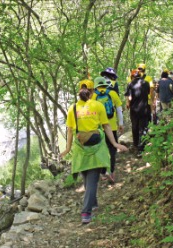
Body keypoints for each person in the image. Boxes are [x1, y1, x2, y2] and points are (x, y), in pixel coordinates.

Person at [60, 79, 128, 224]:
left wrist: (67, 149)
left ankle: (93, 203)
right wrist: (115, 143)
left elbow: (70, 131)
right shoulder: (97, 105)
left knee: (86, 176)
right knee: (92, 180)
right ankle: (86, 212)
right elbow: (107, 126)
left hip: (80, 148)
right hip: (97, 148)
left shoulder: (72, 109)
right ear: (92, 91)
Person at [92, 76, 123, 183]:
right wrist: (121, 123)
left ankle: (103, 172)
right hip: (112, 127)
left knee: (101, 150)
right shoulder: (113, 93)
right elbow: (119, 110)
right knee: (112, 150)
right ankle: (112, 171)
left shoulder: (93, 96)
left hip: (99, 129)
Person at [124, 69, 152, 153]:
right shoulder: (146, 83)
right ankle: (142, 147)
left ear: (132, 76)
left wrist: (128, 104)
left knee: (135, 127)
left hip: (134, 110)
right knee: (143, 127)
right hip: (144, 109)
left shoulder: (130, 84)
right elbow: (148, 93)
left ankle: (135, 144)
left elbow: (129, 97)